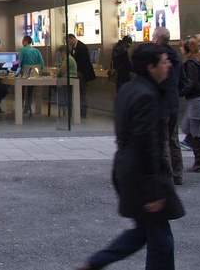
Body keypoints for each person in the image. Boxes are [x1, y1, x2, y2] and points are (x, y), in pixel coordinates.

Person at [77, 43, 184, 270]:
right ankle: (95, 263)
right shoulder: (147, 95)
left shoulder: (129, 89)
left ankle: (95, 263)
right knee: (161, 240)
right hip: (141, 173)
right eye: (164, 61)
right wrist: (154, 190)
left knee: (144, 231)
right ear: (150, 67)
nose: (168, 66)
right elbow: (146, 143)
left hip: (127, 167)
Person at [151, 27, 183, 186]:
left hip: (162, 103)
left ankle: (168, 176)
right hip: (174, 101)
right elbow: (181, 80)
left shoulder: (158, 57)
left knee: (163, 140)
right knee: (173, 140)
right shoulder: (176, 56)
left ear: (156, 39)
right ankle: (178, 175)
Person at [181, 33, 200, 172]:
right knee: (186, 128)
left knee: (193, 130)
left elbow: (191, 82)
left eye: (182, 47)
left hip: (197, 99)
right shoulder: (198, 60)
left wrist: (181, 92)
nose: (180, 49)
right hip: (197, 98)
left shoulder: (191, 63)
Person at [69, 33, 96, 119]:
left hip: (82, 74)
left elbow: (83, 63)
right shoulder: (74, 48)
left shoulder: (82, 48)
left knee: (82, 93)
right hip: (78, 73)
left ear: (73, 39)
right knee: (80, 93)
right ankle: (79, 111)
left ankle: (83, 111)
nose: (69, 43)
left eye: (69, 41)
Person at [18, 35, 44, 117]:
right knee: (30, 91)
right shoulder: (36, 51)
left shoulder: (22, 50)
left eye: (23, 40)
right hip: (34, 74)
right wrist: (41, 71)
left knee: (21, 91)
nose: (22, 42)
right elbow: (41, 61)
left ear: (26, 41)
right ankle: (27, 107)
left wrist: (18, 71)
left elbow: (20, 61)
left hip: (24, 73)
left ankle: (20, 107)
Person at [56, 44, 79, 117]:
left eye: (60, 52)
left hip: (69, 78)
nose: (60, 54)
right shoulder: (70, 58)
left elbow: (62, 70)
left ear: (63, 52)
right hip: (72, 77)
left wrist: (56, 75)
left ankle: (63, 104)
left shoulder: (67, 59)